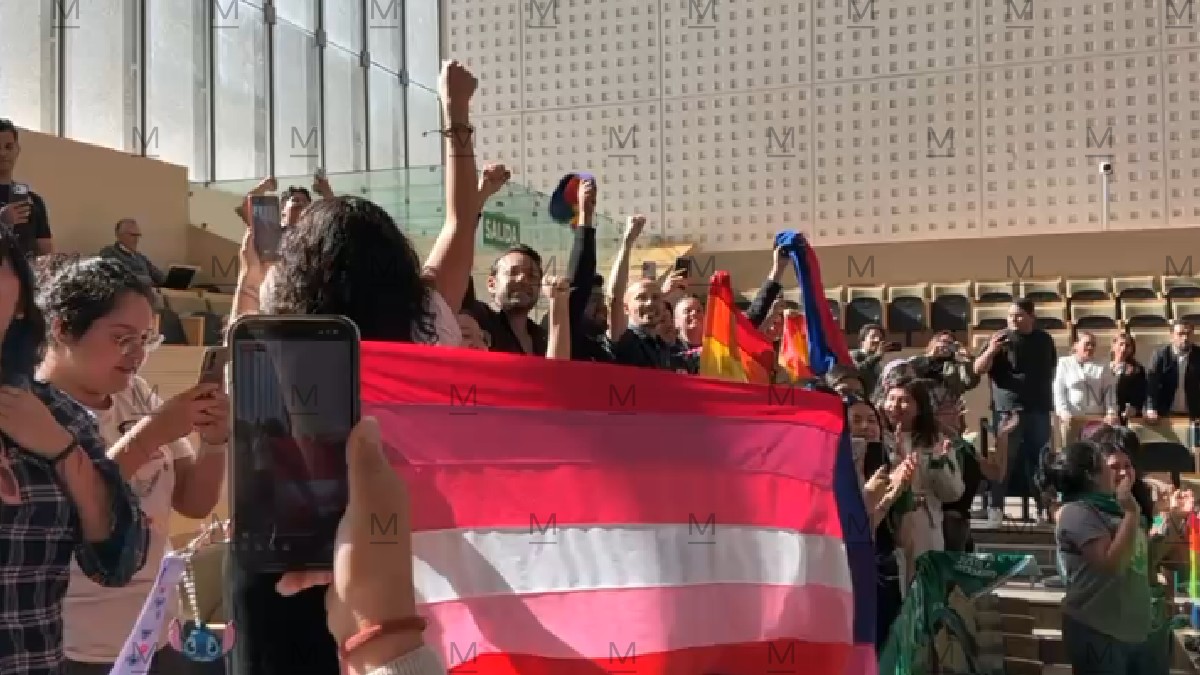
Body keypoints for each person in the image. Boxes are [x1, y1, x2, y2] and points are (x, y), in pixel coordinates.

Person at [227, 58, 480, 675]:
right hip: (394, 554)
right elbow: (460, 220)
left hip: (277, 552)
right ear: (396, 261)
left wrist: (250, 273)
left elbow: (235, 385)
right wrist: (456, 115)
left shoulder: (271, 338)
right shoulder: (429, 321)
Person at [35, 258, 228, 675]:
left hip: (153, 632)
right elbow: (68, 510)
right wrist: (149, 436)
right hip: (76, 647)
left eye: (145, 339)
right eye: (122, 339)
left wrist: (215, 441)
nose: (137, 355)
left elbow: (194, 501)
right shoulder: (31, 412)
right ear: (63, 328)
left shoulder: (135, 395)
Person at [0, 231, 149, 675]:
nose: (136, 354)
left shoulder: (59, 415)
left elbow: (118, 559)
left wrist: (61, 450)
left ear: (21, 300)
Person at [1041, 440, 1155, 675]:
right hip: (1098, 631)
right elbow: (1112, 565)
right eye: (1110, 465)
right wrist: (1132, 513)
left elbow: (1140, 564)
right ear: (1091, 475)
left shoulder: (1116, 507)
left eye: (1127, 465)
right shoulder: (1076, 512)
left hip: (1135, 630)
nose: (1122, 472)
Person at [974, 298, 1057, 525]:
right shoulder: (999, 338)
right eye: (1010, 315)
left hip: (1038, 409)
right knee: (1004, 461)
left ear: (1031, 317)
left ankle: (1042, 509)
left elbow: (1050, 367)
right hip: (1008, 411)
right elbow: (978, 368)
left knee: (1039, 461)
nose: (1013, 319)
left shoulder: (1044, 339)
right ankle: (996, 509)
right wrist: (992, 350)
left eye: (1018, 315)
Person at [0, 119, 52, 256]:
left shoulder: (34, 201)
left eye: (8, 147)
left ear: (17, 150)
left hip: (25, 275)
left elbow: (46, 252)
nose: (2, 153)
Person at [1144, 321, 1200, 422]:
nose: (1185, 338)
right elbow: (1152, 383)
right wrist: (1151, 408)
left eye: (1188, 334)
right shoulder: (1160, 355)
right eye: (1180, 334)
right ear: (1172, 336)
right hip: (1166, 412)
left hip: (1194, 413)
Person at [98, 218, 166, 287]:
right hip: (128, 294)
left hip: (149, 292)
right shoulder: (109, 253)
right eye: (133, 235)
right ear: (119, 235)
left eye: (138, 235)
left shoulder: (140, 257)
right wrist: (148, 281)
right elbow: (122, 278)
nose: (136, 239)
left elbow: (159, 276)